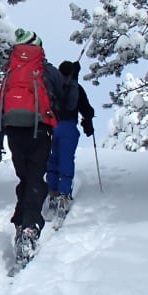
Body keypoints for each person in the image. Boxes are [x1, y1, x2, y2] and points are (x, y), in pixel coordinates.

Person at [0, 28, 64, 266]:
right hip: (40, 128)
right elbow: (62, 95)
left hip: (14, 129)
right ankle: (29, 228)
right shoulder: (45, 70)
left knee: (25, 177)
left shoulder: (11, 69)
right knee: (36, 177)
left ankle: (20, 221)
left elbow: (0, 100)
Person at [46, 59, 95, 214]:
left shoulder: (53, 86)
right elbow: (87, 110)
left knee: (52, 159)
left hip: (52, 127)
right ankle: (64, 195)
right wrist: (88, 123)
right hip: (69, 128)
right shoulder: (76, 88)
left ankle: (51, 192)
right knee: (66, 160)